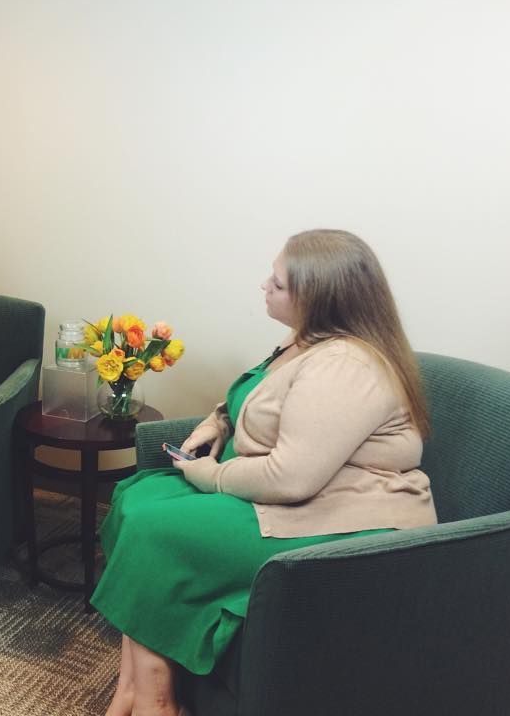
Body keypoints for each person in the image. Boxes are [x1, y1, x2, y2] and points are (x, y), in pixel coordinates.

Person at [90, 229, 437, 716]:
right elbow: (256, 397)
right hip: (295, 497)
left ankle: (156, 702)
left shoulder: (346, 366)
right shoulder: (304, 341)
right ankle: (136, 690)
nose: (264, 286)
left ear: (316, 298)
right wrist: (215, 424)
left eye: (277, 283)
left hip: (345, 519)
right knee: (137, 497)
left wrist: (211, 477)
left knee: (152, 530)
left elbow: (291, 479)